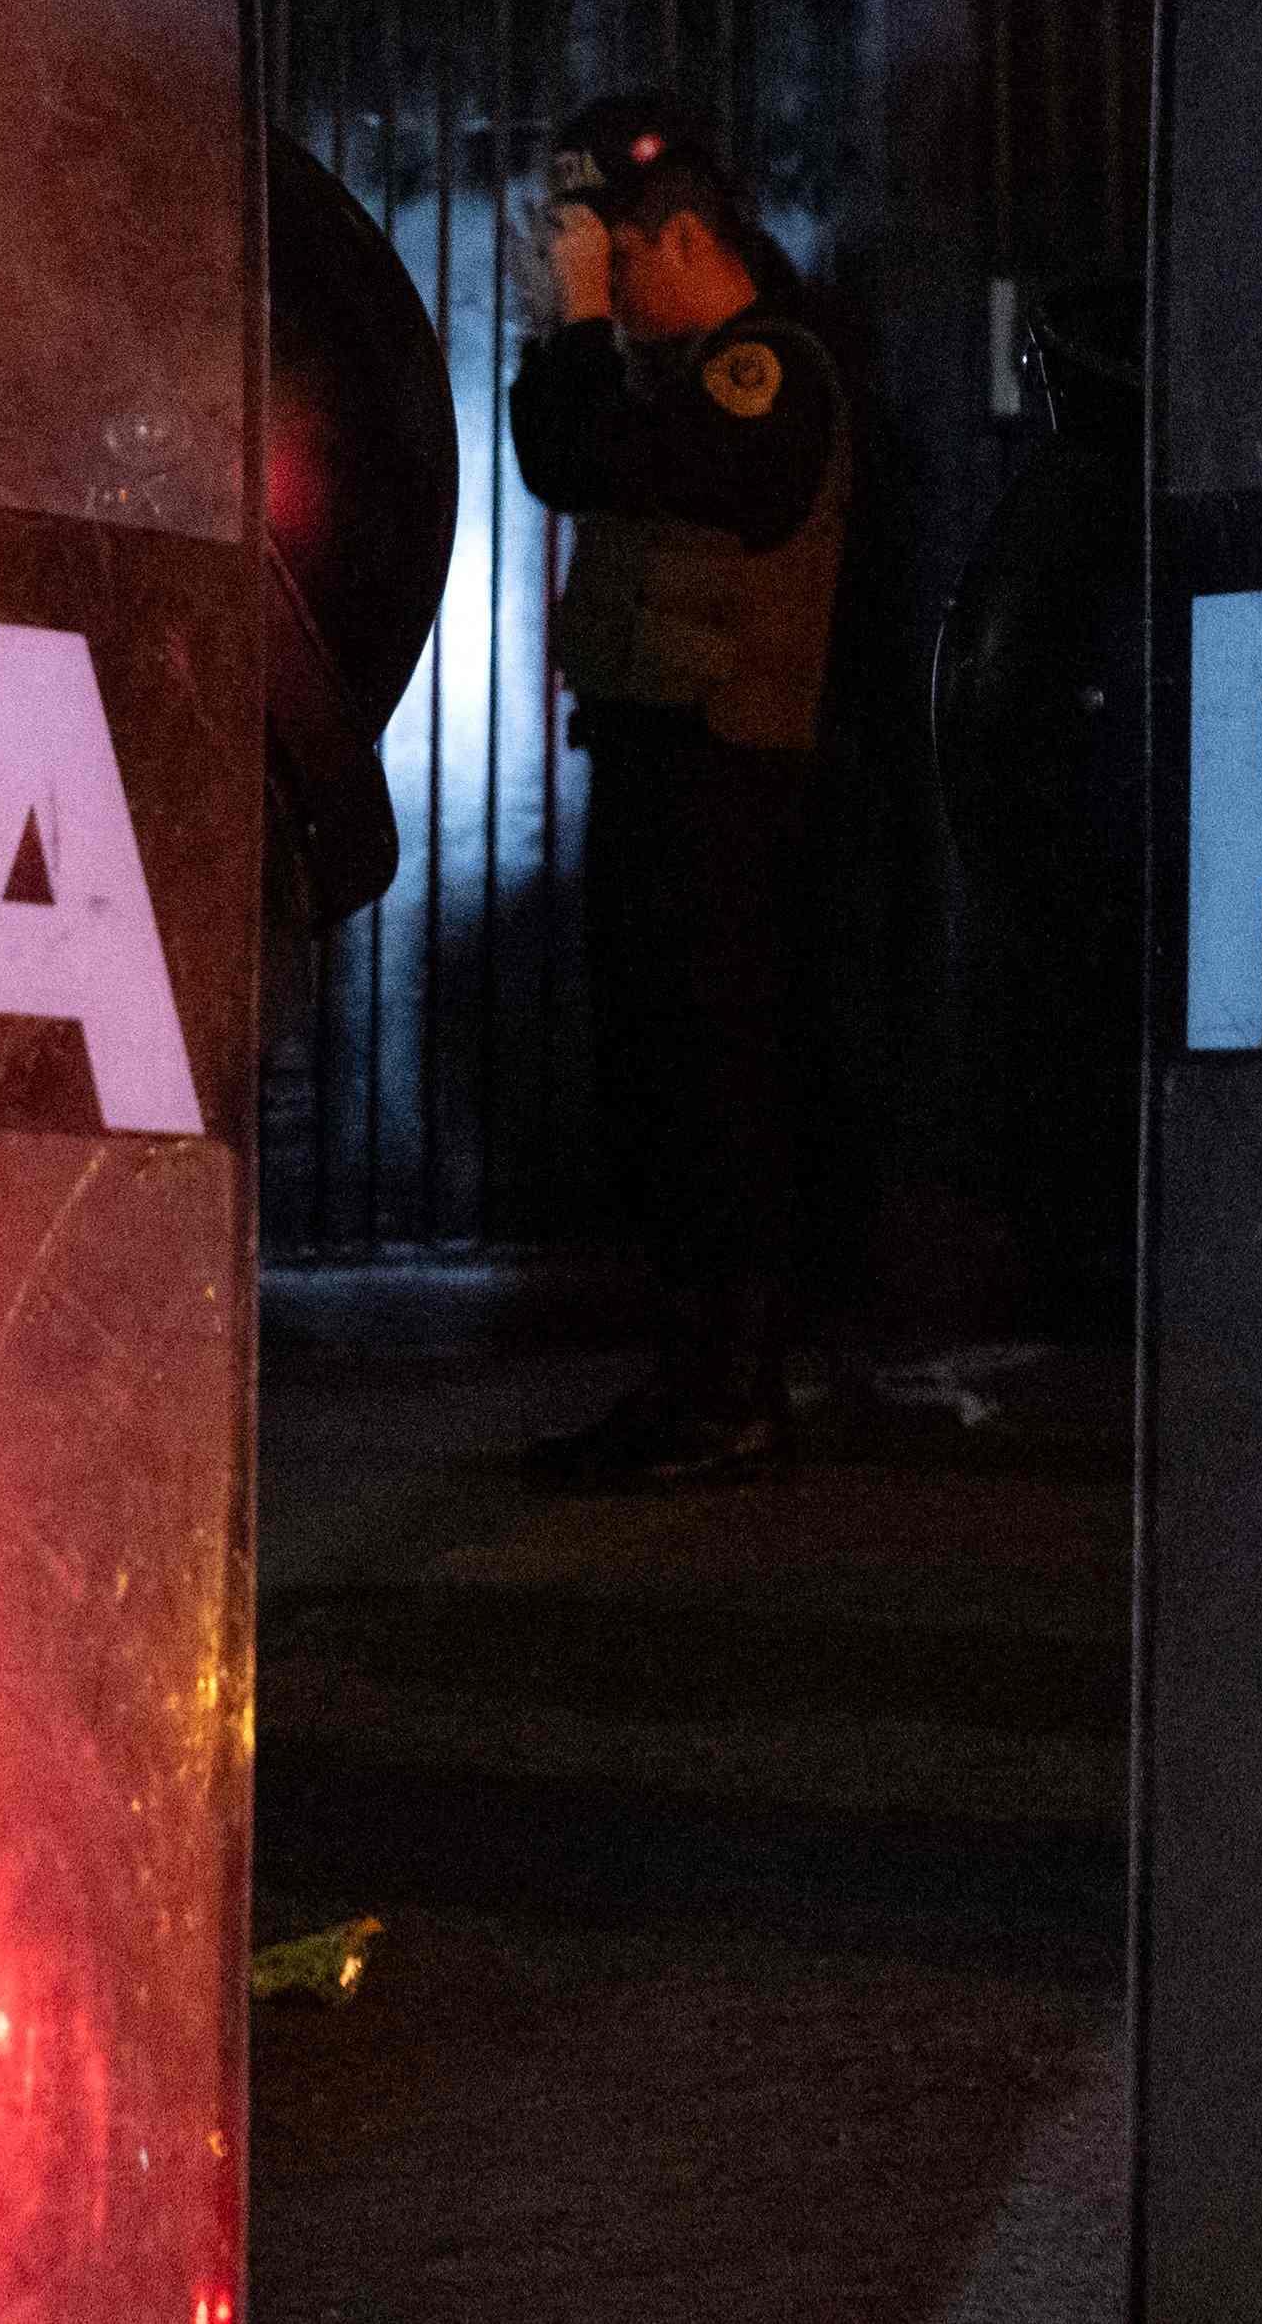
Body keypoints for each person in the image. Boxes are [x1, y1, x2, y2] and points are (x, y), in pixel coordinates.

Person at [506, 95, 852, 1485]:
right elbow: (555, 456)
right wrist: (573, 326)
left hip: (731, 778)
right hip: (655, 769)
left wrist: (583, 326)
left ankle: (735, 1392)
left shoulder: (776, 370)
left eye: (616, 261)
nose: (604, 289)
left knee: (717, 1085)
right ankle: (687, 1382)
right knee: (655, 1085)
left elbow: (599, 458)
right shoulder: (673, 378)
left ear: (684, 236)